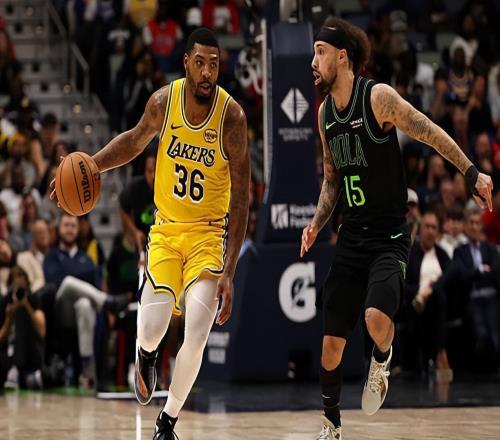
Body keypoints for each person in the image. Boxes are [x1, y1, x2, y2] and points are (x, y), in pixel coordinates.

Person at [51, 27, 249, 439]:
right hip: (166, 233)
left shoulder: (231, 117)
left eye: (214, 65)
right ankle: (146, 355)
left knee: (198, 328)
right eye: (200, 63)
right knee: (153, 329)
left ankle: (167, 422)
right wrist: (92, 165)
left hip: (208, 235)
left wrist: (230, 270)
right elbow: (134, 141)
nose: (207, 72)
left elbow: (242, 197)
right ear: (186, 63)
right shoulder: (164, 102)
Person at [302, 18, 493, 439]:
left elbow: (429, 132)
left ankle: (382, 357)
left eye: (320, 51)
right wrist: (316, 223)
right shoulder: (324, 115)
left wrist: (470, 172)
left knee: (375, 318)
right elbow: (332, 180)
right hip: (351, 237)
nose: (313, 61)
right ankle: (331, 424)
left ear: (342, 57)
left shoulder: (378, 98)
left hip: (388, 236)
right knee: (331, 345)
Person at [453, 209, 500, 370]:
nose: (474, 227)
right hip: (472, 297)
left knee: (494, 333)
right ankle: (483, 369)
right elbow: (462, 276)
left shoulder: (490, 249)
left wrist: (473, 274)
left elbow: (494, 273)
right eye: (471, 223)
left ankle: (493, 368)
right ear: (466, 226)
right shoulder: (460, 251)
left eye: (477, 223)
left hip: (491, 296)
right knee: (482, 333)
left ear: (481, 226)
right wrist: (479, 271)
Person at [0, 266, 46, 390]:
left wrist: (26, 307)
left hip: (31, 351)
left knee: (21, 313)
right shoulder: (5, 302)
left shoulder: (33, 299)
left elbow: (41, 332)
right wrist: (9, 318)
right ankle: (19, 373)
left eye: (22, 286)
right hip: (8, 354)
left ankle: (20, 373)